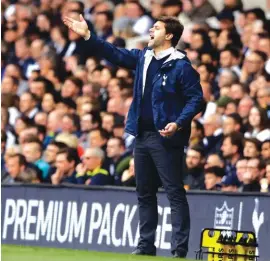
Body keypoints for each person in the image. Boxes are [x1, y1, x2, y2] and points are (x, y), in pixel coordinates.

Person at [63, 14, 203, 258]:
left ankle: (179, 249)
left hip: (166, 137)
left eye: (156, 28)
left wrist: (179, 123)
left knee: (174, 193)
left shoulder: (181, 65)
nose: (151, 30)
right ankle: (146, 245)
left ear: (169, 36)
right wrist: (87, 36)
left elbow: (196, 99)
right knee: (144, 192)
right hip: (142, 135)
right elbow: (115, 54)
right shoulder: (143, 58)